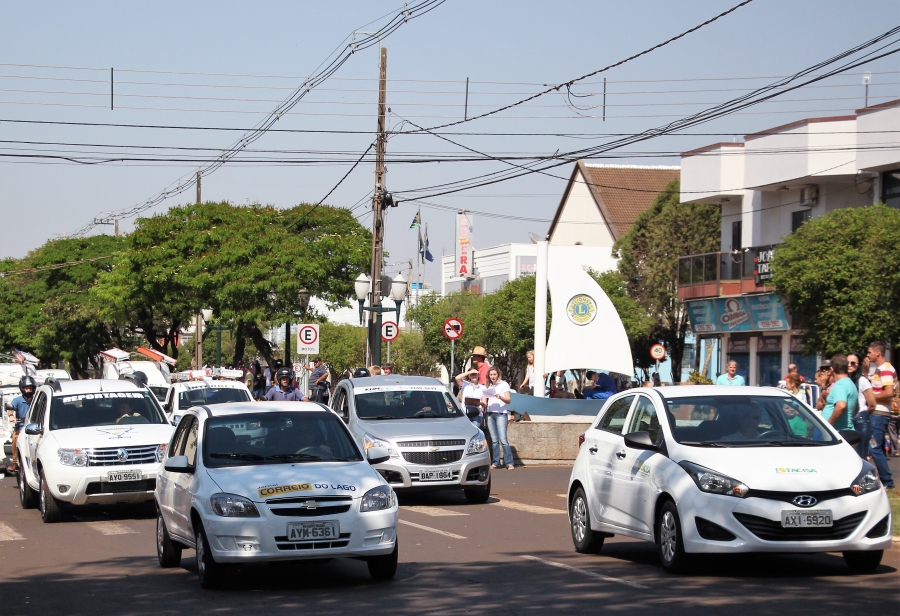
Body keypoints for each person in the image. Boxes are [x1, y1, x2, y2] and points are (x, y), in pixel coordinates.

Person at [865, 341, 896, 486]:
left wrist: (869, 397)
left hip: (880, 413)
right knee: (877, 447)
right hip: (875, 412)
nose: (868, 355)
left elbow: (889, 392)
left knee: (874, 446)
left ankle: (887, 481)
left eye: (870, 352)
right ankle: (885, 479)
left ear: (878, 353)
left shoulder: (886, 369)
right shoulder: (877, 370)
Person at [484, 367, 514, 469]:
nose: (492, 377)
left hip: (501, 413)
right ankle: (496, 462)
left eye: (494, 374)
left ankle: (509, 462)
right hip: (490, 413)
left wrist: (500, 397)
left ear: (498, 375)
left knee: (503, 439)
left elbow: (508, 400)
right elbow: (485, 399)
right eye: (491, 375)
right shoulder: (488, 385)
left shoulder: (503, 384)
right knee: (494, 440)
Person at [848, 352, 877, 460]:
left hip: (861, 420)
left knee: (860, 456)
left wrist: (863, 415)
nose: (849, 365)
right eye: (847, 363)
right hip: (848, 420)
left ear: (859, 365)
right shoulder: (844, 381)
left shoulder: (862, 380)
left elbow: (872, 404)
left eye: (853, 363)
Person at [816, 353, 856, 431]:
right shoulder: (851, 384)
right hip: (845, 430)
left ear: (832, 369)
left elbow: (841, 406)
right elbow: (856, 407)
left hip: (838, 432)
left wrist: (828, 424)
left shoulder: (840, 384)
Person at [6, 375, 36, 473]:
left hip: (35, 427)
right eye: (26, 388)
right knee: (15, 438)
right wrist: (11, 416)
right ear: (22, 389)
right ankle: (15, 462)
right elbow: (10, 409)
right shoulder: (17, 400)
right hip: (21, 427)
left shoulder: (37, 399)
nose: (28, 390)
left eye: (30, 388)